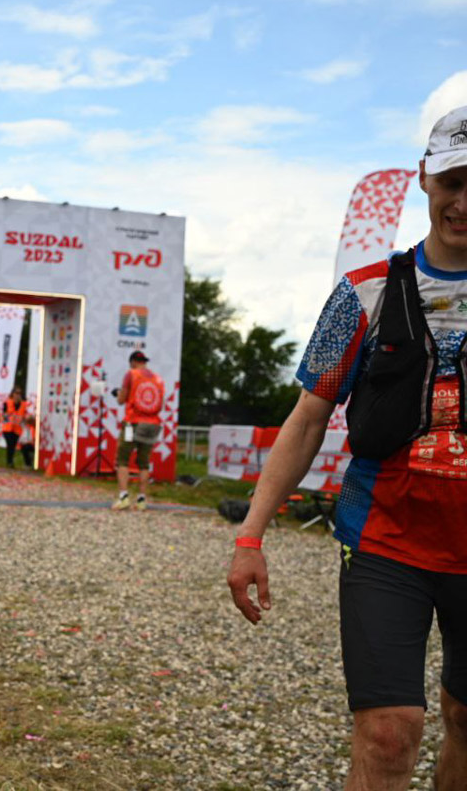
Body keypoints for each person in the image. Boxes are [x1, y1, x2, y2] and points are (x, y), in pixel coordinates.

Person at [227, 105, 467, 790]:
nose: (463, 202)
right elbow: (306, 420)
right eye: (453, 181)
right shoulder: (361, 293)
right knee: (390, 733)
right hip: (385, 542)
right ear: (425, 178)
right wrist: (250, 535)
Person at [111, 350, 163, 510]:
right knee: (144, 462)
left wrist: (118, 394)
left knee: (123, 459)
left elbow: (122, 400)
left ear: (133, 361)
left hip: (132, 423)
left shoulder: (131, 374)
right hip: (153, 423)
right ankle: (142, 500)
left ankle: (123, 497)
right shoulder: (157, 379)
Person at [1, 387, 33, 468]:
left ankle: (10, 461)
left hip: (17, 430)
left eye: (19, 393)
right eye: (16, 393)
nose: (17, 395)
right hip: (7, 428)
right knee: (10, 444)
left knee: (13, 445)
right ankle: (10, 462)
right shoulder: (7, 403)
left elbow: (26, 414)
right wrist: (6, 416)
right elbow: (3, 414)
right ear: (12, 394)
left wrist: (27, 418)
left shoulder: (24, 404)